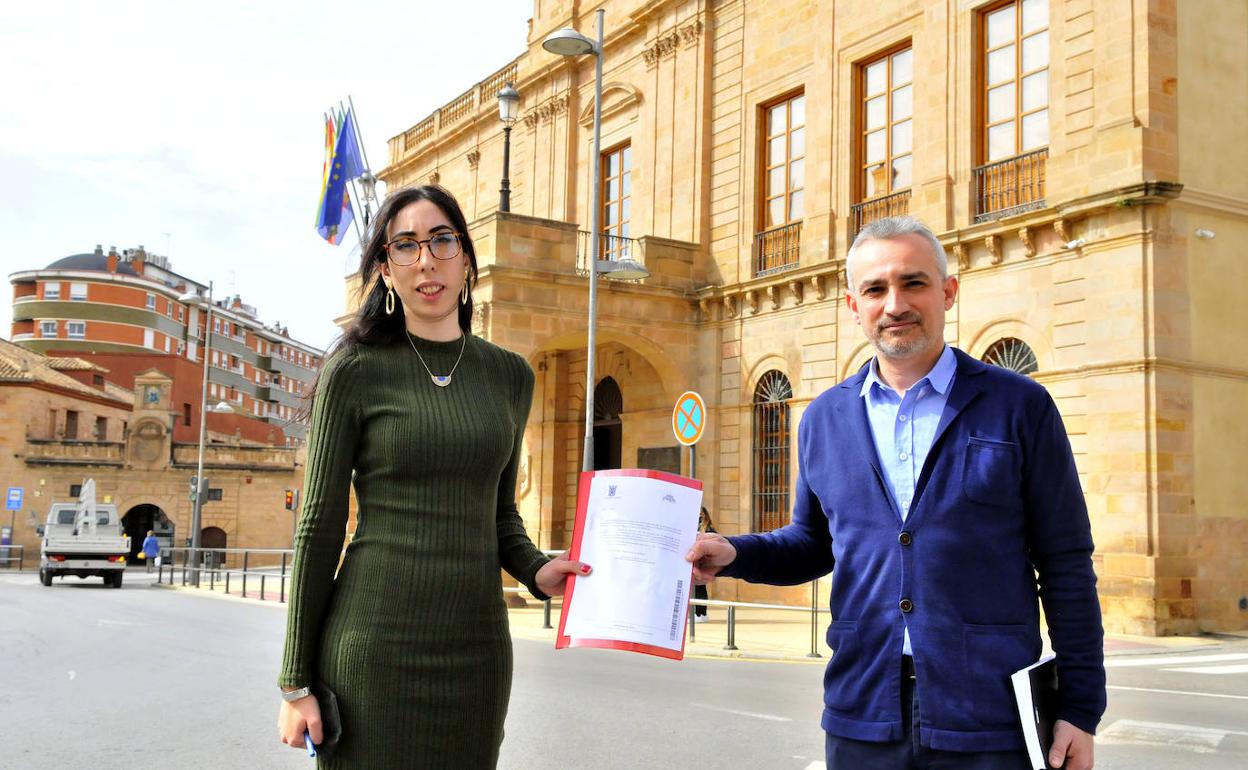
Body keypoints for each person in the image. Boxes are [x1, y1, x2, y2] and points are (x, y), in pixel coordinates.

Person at [687, 216, 1105, 770]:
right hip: (863, 712)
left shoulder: (1020, 406)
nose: (895, 304)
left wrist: (1079, 708)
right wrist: (736, 552)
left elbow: (1066, 563)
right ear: (852, 305)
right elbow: (814, 544)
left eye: (914, 283)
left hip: (989, 714)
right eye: (875, 289)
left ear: (948, 292)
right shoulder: (823, 418)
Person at [276, 185, 590, 768]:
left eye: (442, 240)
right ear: (387, 271)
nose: (427, 260)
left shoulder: (509, 376)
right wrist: (296, 680)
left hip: (477, 654)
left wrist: (536, 566)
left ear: (467, 258)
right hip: (373, 648)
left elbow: (499, 513)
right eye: (406, 246)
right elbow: (318, 525)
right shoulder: (355, 369)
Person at [693, 508, 716, 621]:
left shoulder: (708, 528)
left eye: (701, 513)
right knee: (698, 588)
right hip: (695, 559)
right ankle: (699, 613)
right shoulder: (694, 525)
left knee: (699, 588)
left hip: (703, 560)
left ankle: (700, 613)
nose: (699, 515)